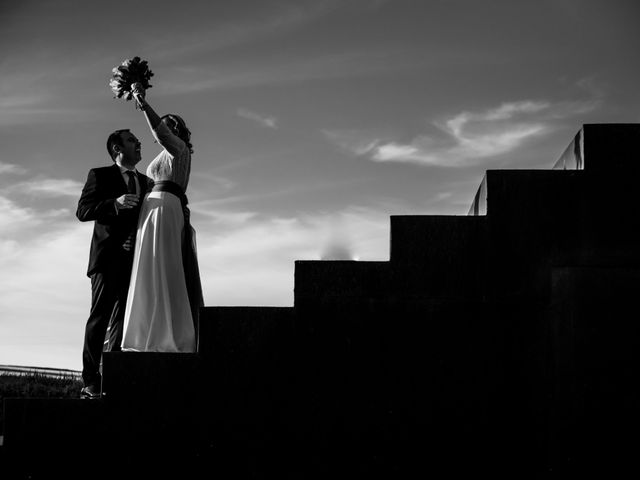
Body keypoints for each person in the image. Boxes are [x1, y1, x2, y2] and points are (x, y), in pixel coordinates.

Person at [120, 82, 204, 352]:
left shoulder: (178, 149)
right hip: (155, 209)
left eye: (168, 126)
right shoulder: (168, 154)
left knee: (165, 266)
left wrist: (142, 103)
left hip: (165, 208)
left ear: (175, 130)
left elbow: (159, 130)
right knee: (151, 266)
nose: (162, 131)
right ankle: (146, 332)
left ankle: (168, 333)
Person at [76, 129, 151, 399]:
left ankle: (112, 375)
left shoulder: (147, 182)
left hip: (135, 260)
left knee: (123, 319)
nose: (139, 142)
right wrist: (114, 204)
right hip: (106, 259)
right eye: (132, 140)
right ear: (117, 149)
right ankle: (89, 381)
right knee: (100, 318)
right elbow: (83, 211)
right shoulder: (100, 175)